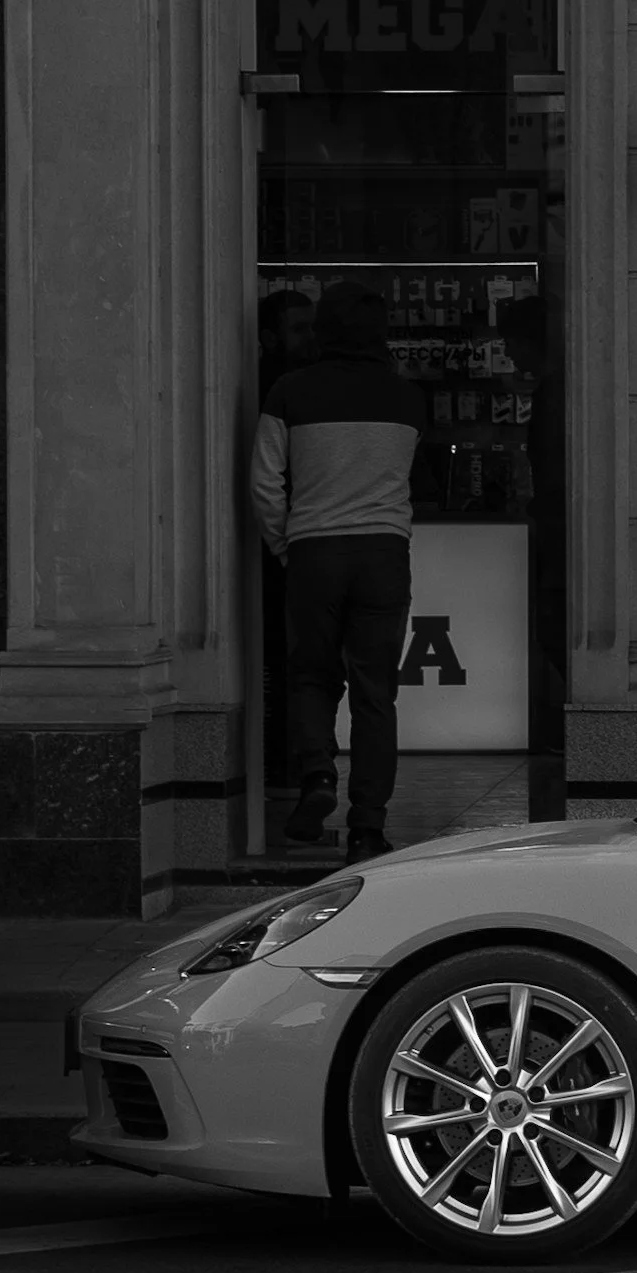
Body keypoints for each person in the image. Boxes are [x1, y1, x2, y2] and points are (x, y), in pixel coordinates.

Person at [251, 281, 429, 864]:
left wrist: (285, 544)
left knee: (311, 677)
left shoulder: (288, 392)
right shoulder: (407, 399)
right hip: (382, 554)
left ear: (325, 330)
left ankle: (317, 777)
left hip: (314, 555)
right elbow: (412, 481)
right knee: (376, 693)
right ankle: (368, 828)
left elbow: (264, 483)